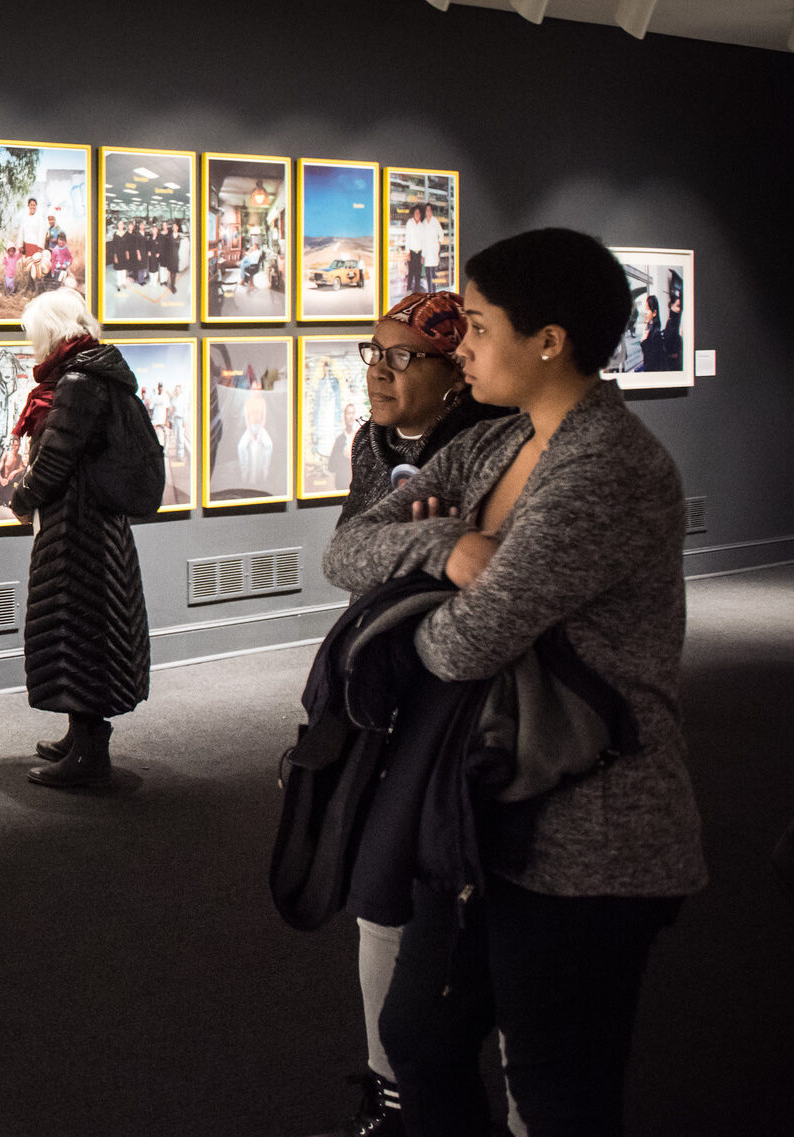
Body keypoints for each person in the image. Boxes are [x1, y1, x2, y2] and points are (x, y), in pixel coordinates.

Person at [323, 228, 705, 1136]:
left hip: (591, 837)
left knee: (557, 1088)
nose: (462, 344)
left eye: (480, 325)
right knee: (417, 1038)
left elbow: (462, 644)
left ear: (549, 340)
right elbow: (347, 549)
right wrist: (446, 544)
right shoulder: (498, 447)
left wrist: (415, 602)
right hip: (483, 812)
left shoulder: (603, 466)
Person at [323, 290, 515, 1135]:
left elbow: (485, 585)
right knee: (376, 896)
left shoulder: (488, 447)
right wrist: (422, 543)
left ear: (453, 372)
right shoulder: (371, 442)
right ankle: (383, 1088)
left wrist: (421, 545)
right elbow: (351, 550)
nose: (379, 370)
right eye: (372, 351)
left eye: (403, 356)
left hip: (470, 711)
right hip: (387, 693)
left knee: (488, 931)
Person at [6, 289, 152, 788]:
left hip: (79, 528)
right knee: (86, 624)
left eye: (33, 335)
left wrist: (22, 498)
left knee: (80, 626)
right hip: (92, 523)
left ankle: (89, 752)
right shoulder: (90, 373)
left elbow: (57, 459)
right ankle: (80, 732)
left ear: (51, 331)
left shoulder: (77, 382)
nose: (30, 346)